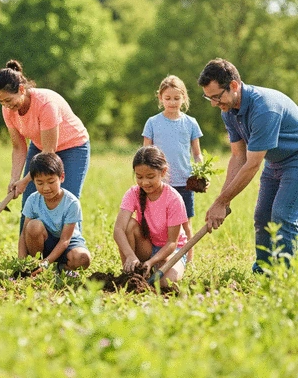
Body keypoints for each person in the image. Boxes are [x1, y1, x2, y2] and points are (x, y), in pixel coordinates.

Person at [198, 58, 298, 273]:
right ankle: (263, 271)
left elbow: (252, 165)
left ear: (233, 85)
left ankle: (283, 277)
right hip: (275, 162)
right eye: (209, 98)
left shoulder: (264, 109)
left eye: (217, 96)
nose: (215, 104)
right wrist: (222, 202)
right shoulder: (229, 110)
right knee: (262, 217)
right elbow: (238, 157)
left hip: (296, 160)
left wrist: (221, 201)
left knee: (281, 216)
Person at [0, 60, 90, 231]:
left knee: (65, 198)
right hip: (40, 147)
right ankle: (27, 254)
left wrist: (24, 181)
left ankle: (71, 250)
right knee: (30, 197)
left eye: (8, 100)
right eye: (1, 102)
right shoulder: (8, 109)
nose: (7, 106)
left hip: (73, 147)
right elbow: (18, 147)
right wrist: (15, 179)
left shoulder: (45, 104)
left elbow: (49, 153)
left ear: (21, 89)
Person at [142, 75, 203, 262]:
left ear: (184, 98)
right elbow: (145, 153)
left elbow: (197, 154)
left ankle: (189, 261)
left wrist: (201, 172)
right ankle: (157, 256)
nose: (172, 102)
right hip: (158, 183)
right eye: (167, 98)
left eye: (177, 98)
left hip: (184, 182)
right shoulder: (152, 122)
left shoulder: (190, 123)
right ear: (160, 98)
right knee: (157, 223)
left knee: (185, 224)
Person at [113, 145, 188, 288]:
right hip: (147, 246)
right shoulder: (133, 193)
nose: (144, 183)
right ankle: (130, 273)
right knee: (129, 225)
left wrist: (152, 262)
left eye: (150, 176)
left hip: (171, 250)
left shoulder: (173, 199)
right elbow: (118, 230)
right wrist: (131, 255)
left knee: (164, 283)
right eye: (139, 177)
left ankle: (151, 268)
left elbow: (172, 243)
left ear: (163, 171)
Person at [18, 152, 91, 276]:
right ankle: (36, 265)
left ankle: (62, 267)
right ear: (34, 181)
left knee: (83, 258)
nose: (46, 188)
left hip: (68, 243)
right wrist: (21, 262)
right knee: (32, 226)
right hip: (45, 242)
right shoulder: (32, 200)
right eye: (40, 183)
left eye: (51, 182)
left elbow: (65, 240)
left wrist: (46, 263)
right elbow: (24, 234)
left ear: (61, 177)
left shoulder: (71, 203)